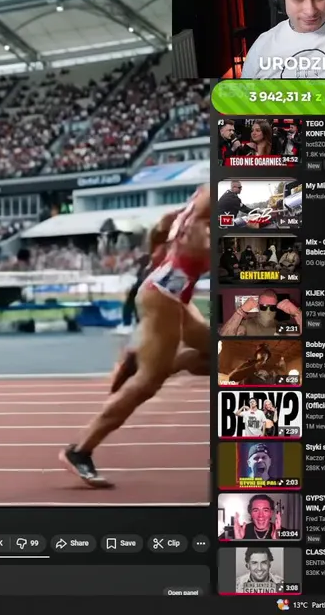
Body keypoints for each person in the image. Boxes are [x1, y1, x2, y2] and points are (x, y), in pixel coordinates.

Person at [59, 186, 211, 487]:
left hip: (172, 291)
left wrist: (154, 258)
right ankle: (80, 450)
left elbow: (163, 223)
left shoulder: (198, 206)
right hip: (164, 296)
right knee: (147, 384)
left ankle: (159, 359)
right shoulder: (210, 219)